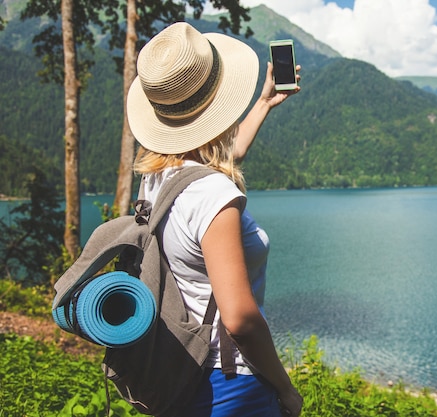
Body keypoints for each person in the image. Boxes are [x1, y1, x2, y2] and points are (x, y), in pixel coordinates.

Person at [126, 22, 303, 417]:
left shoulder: (157, 178)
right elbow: (240, 320)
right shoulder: (214, 197)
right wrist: (285, 388)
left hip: (178, 365)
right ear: (217, 101)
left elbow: (218, 162)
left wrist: (264, 103)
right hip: (230, 381)